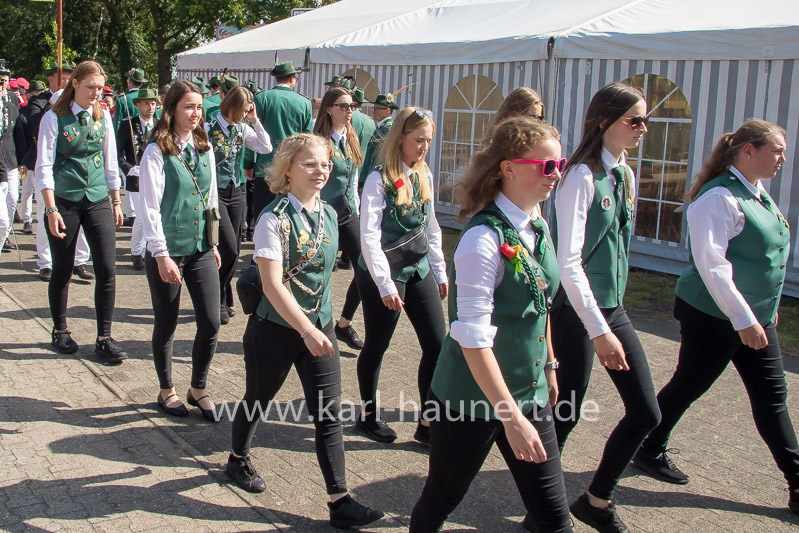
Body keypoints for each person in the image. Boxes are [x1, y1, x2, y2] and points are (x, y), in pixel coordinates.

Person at [409, 116, 571, 532]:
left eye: (560, 164)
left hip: (528, 392)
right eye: (546, 165)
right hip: (469, 400)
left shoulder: (537, 224)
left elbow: (541, 301)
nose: (555, 174)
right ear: (509, 168)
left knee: (554, 516)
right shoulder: (482, 239)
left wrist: (550, 365)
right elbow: (472, 338)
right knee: (441, 500)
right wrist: (511, 419)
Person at [633, 120, 799, 514]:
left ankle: (797, 483)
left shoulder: (755, 192)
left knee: (772, 397)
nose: (782, 158)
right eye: (776, 150)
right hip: (713, 314)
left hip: (753, 316)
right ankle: (647, 446)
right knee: (689, 384)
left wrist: (763, 310)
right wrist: (744, 319)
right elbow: (712, 265)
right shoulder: (719, 197)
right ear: (748, 150)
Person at [226, 133, 384, 529]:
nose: (321, 170)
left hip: (320, 324)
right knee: (257, 400)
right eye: (310, 164)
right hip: (275, 329)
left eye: (325, 164)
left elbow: (328, 274)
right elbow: (272, 284)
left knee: (328, 414)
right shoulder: (272, 218)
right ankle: (237, 458)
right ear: (288, 169)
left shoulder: (329, 213)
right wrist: (306, 331)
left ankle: (339, 500)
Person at [551, 81, 660, 532]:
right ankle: (542, 507)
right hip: (577, 310)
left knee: (646, 412)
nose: (643, 128)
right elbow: (568, 261)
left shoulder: (624, 173)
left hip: (611, 307)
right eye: (635, 120)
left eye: (646, 120)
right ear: (604, 121)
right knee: (565, 412)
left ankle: (595, 500)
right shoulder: (581, 176)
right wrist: (598, 329)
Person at [355, 107, 448, 444]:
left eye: (428, 141)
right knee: (377, 346)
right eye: (418, 140)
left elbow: (431, 226)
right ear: (401, 138)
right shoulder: (378, 178)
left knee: (437, 345)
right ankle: (368, 415)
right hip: (384, 270)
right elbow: (369, 235)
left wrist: (440, 269)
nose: (424, 147)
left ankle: (428, 424)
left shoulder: (424, 174)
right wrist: (384, 283)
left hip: (417, 266)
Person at [138, 80, 221, 420]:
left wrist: (213, 242)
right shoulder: (156, 150)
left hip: (200, 247)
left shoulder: (205, 147)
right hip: (168, 249)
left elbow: (211, 197)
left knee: (211, 321)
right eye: (188, 106)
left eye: (199, 107)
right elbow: (149, 207)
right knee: (167, 322)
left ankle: (198, 387)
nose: (195, 113)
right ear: (172, 109)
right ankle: (166, 390)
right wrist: (160, 254)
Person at [35, 60, 127, 363]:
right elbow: (43, 167)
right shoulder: (53, 118)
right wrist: (51, 208)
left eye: (100, 88)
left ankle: (104, 338)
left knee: (107, 268)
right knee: (62, 268)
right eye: (91, 87)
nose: (96, 93)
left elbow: (110, 161)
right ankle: (60, 330)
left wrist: (116, 200)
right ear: (74, 83)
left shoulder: (104, 116)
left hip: (98, 197)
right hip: (65, 200)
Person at [205, 85, 272, 324]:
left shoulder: (242, 128)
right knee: (229, 248)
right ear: (231, 106)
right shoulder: (209, 128)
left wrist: (255, 120)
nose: (244, 114)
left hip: (237, 189)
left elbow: (265, 147)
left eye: (247, 110)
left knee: (235, 244)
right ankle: (217, 298)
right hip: (216, 192)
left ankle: (223, 295)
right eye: (243, 110)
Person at [19, 62, 92, 281]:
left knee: (82, 214)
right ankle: (46, 262)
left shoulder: (79, 101)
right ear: (50, 79)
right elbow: (33, 126)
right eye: (61, 77)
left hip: (74, 170)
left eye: (69, 77)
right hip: (47, 168)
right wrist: (53, 104)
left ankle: (79, 260)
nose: (65, 81)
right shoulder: (39, 101)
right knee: (46, 214)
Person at [314, 86, 365, 351]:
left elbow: (353, 180)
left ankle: (343, 324)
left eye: (352, 106)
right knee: (318, 271)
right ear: (329, 109)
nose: (349, 111)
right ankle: (311, 325)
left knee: (365, 268)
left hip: (348, 213)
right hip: (324, 213)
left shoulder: (352, 137)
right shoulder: (320, 141)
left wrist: (357, 211)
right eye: (344, 106)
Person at [251, 61, 313, 217]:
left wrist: (248, 163)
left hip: (264, 166)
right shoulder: (304, 103)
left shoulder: (261, 98)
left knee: (263, 213)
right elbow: (307, 140)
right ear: (292, 78)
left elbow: (253, 134)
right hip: (292, 167)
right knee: (291, 213)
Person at [117, 87, 158, 270]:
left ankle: (152, 250)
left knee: (155, 214)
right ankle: (136, 252)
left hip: (156, 177)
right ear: (138, 105)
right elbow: (117, 152)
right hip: (136, 178)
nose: (150, 107)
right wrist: (129, 168)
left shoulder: (160, 124)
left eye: (153, 103)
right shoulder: (128, 125)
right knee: (141, 216)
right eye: (147, 103)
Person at [18, 80, 47, 235]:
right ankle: (27, 219)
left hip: (38, 156)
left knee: (38, 193)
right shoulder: (22, 112)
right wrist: (21, 160)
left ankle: (34, 220)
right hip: (28, 157)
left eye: (40, 92)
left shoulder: (45, 109)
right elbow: (21, 137)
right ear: (28, 94)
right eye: (35, 93)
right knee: (26, 191)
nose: (37, 95)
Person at [360, 92, 398, 193]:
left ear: (388, 110)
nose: (374, 111)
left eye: (378, 109)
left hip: (378, 177)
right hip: (371, 175)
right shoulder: (382, 127)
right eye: (374, 108)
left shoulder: (388, 129)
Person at [113, 68, 147, 132]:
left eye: (128, 79)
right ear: (141, 83)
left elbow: (117, 125)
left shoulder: (122, 100)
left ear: (129, 81)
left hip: (127, 135)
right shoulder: (148, 99)